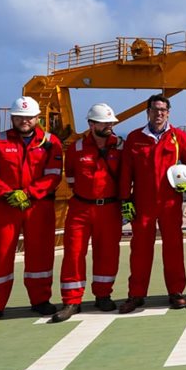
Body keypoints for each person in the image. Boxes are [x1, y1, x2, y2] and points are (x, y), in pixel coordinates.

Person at [0, 96, 63, 326]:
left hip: (38, 206)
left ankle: (40, 300)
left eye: (29, 117)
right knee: (1, 255)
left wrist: (29, 193)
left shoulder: (50, 142)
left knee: (41, 254)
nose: (25, 121)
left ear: (37, 117)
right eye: (20, 117)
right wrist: (8, 193)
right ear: (12, 118)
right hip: (5, 206)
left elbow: (54, 174)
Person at [118, 94, 186, 312]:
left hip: (170, 202)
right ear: (148, 112)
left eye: (163, 110)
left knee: (173, 247)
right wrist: (125, 200)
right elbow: (126, 171)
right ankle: (136, 294)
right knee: (140, 249)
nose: (159, 113)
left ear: (168, 113)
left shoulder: (179, 137)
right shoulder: (135, 138)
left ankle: (176, 292)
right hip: (143, 202)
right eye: (155, 109)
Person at [52, 104, 124, 322]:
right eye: (104, 122)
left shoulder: (121, 147)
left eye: (111, 122)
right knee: (74, 253)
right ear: (92, 124)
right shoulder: (76, 148)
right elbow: (71, 177)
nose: (109, 126)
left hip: (110, 208)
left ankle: (103, 295)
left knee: (108, 253)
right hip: (81, 208)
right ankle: (71, 301)